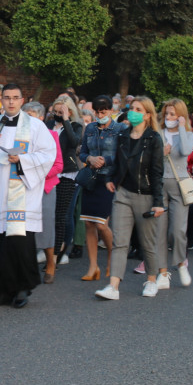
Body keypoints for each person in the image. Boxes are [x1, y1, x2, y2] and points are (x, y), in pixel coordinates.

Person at [0, 84, 56, 308]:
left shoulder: (35, 126)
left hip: (21, 195)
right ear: (1, 101)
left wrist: (22, 160)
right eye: (7, 98)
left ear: (22, 100)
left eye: (15, 98)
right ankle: (0, 291)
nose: (11, 102)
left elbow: (47, 155)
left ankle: (21, 289)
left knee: (18, 245)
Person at [95, 96, 165, 300]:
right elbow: (117, 162)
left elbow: (156, 172)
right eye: (132, 108)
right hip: (123, 193)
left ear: (147, 115)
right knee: (120, 241)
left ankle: (151, 280)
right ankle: (113, 286)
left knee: (147, 242)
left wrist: (158, 202)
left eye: (138, 109)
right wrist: (110, 178)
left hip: (146, 194)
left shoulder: (154, 139)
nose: (133, 112)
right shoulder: (123, 136)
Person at [78, 95, 126, 281]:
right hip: (91, 178)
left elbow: (123, 156)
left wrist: (106, 160)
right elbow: (82, 152)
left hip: (109, 179)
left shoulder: (120, 129)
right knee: (89, 223)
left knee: (101, 224)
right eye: (97, 112)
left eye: (103, 111)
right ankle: (93, 267)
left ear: (111, 111)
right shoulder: (90, 128)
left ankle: (112, 260)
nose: (99, 115)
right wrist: (89, 159)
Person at [158, 98, 193, 287]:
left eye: (173, 114)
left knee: (178, 229)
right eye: (167, 114)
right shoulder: (158, 133)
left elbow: (187, 150)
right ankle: (162, 272)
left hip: (179, 184)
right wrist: (161, 153)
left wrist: (181, 127)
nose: (168, 117)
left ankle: (181, 263)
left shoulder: (186, 133)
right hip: (159, 184)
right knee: (159, 229)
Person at [24, 102, 62, 284]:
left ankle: (50, 263)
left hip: (45, 186)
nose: (27, 119)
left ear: (40, 118)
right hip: (23, 186)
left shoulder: (52, 135)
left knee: (46, 226)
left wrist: (36, 174)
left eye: (31, 115)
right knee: (25, 228)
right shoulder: (19, 137)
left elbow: (58, 165)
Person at [49, 96, 84, 264]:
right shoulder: (49, 126)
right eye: (55, 111)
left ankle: (58, 253)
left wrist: (65, 121)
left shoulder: (75, 126)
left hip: (67, 173)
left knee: (62, 215)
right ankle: (50, 248)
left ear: (69, 112)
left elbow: (74, 142)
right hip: (49, 172)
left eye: (60, 111)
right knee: (49, 214)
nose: (57, 114)